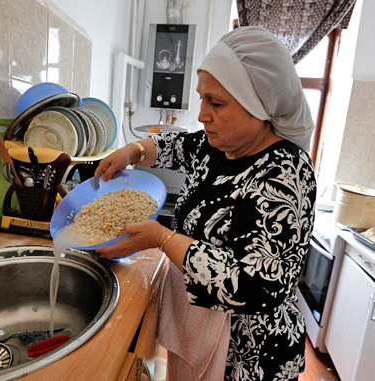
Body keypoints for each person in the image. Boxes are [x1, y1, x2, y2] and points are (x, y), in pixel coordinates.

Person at [95, 26, 316, 381]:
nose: (202, 115)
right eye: (202, 98)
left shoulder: (284, 174)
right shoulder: (220, 145)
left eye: (216, 103)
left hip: (249, 356)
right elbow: (172, 147)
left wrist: (161, 239)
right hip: (201, 331)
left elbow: (251, 284)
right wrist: (132, 150)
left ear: (257, 105)